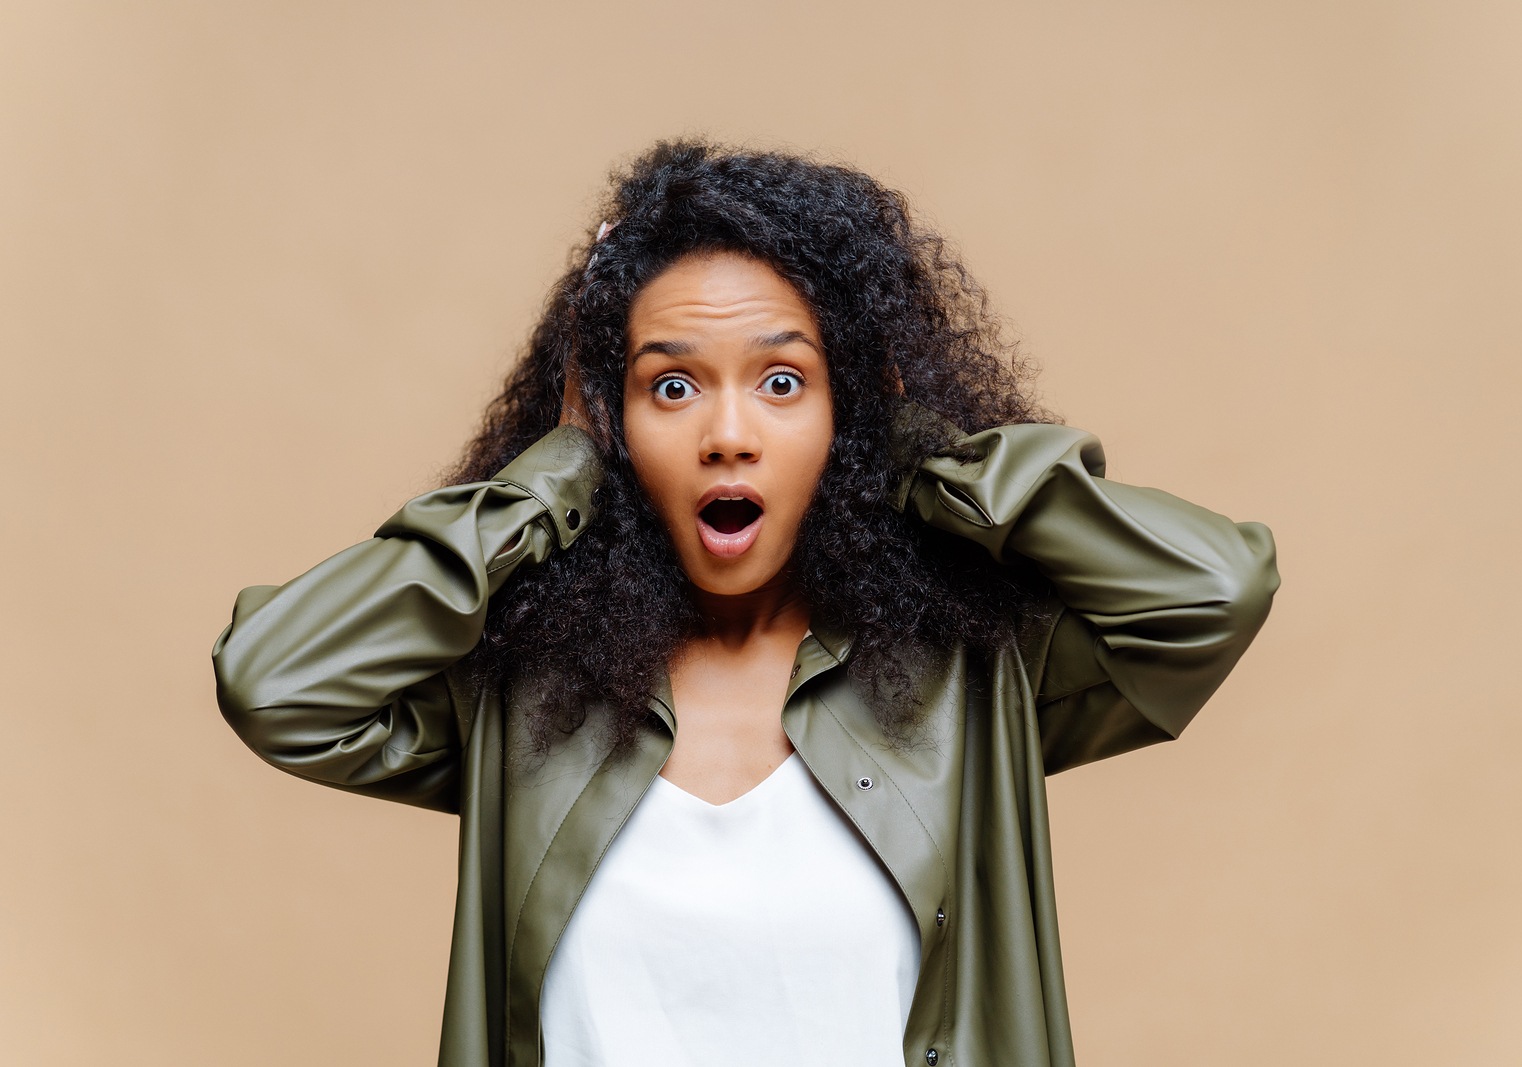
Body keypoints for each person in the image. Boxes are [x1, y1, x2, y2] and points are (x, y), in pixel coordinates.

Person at [212, 138, 1280, 1067]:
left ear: (843, 411)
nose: (729, 433)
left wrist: (912, 446)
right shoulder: (525, 696)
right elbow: (277, 680)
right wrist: (557, 473)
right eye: (671, 386)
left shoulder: (971, 679)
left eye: (783, 381)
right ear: (615, 418)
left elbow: (1205, 590)